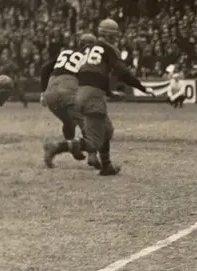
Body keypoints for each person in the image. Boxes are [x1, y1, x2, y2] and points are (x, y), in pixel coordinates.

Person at [43, 19, 155, 175]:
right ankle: (57, 147)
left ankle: (107, 165)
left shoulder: (88, 51)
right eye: (115, 35)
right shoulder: (109, 49)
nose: (116, 38)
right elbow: (122, 72)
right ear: (110, 36)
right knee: (95, 141)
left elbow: (92, 74)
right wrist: (142, 87)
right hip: (93, 96)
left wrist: (108, 93)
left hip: (81, 93)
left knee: (107, 129)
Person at [39, 33, 99, 168]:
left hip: (50, 94)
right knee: (89, 124)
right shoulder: (91, 58)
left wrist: (43, 92)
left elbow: (44, 69)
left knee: (69, 122)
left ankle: (73, 147)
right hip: (68, 91)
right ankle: (92, 156)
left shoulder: (65, 53)